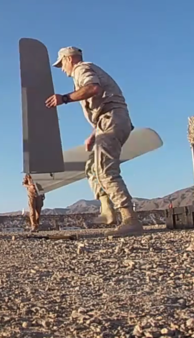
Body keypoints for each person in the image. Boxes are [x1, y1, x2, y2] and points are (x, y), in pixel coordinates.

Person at [45, 46, 143, 236]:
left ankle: (130, 218)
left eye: (61, 64)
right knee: (92, 166)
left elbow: (92, 88)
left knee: (105, 169)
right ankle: (107, 210)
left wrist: (64, 98)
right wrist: (94, 133)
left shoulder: (81, 69)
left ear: (68, 59)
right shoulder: (86, 70)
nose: (62, 69)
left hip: (111, 119)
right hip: (110, 121)